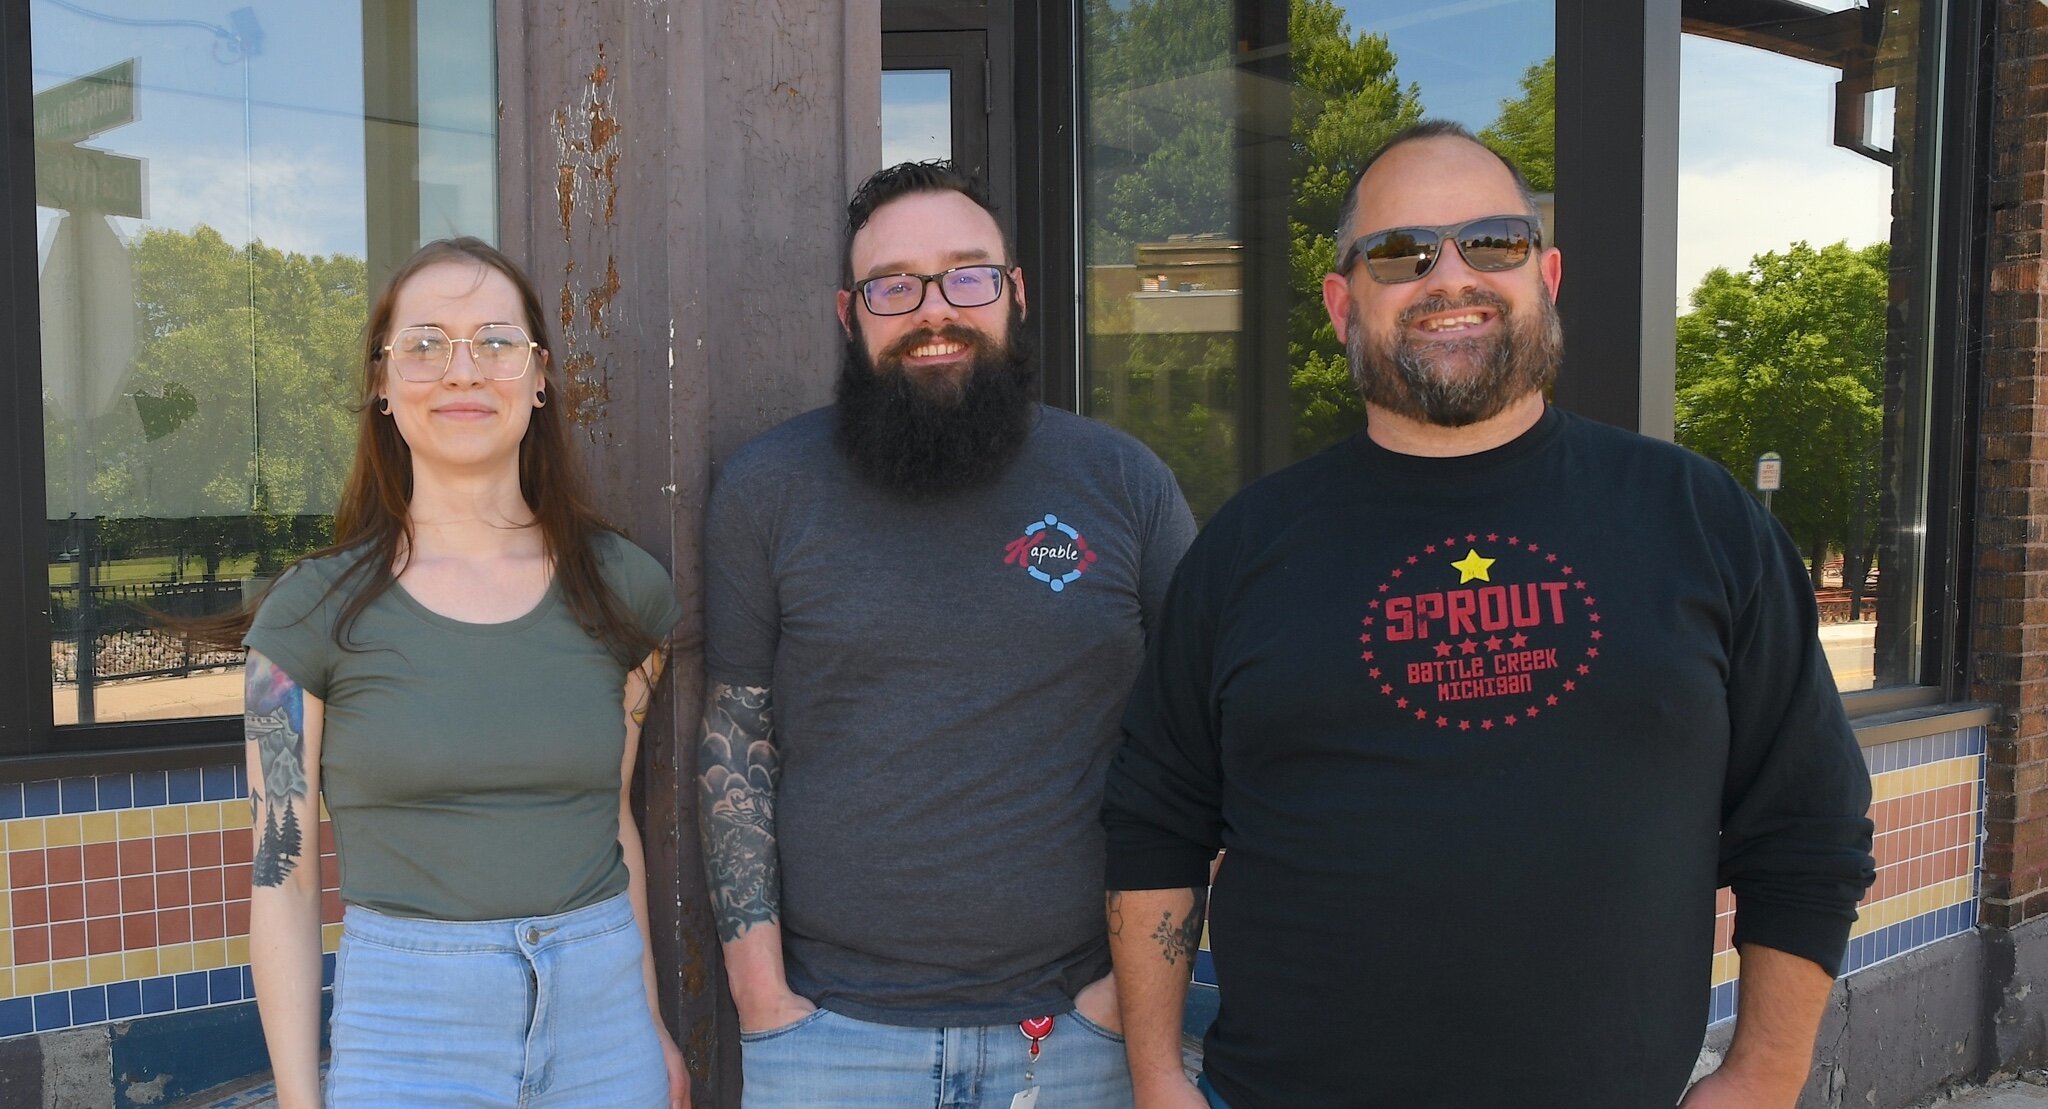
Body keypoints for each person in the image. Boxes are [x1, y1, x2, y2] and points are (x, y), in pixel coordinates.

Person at [1101, 121, 1877, 1109]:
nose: (1448, 275)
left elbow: (1807, 824)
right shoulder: (1250, 545)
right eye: (1400, 253)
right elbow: (1152, 818)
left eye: (1491, 243)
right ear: (1344, 301)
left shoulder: (1695, 516)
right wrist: (1158, 1078)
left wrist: (1763, 1074)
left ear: (1544, 273)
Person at [699, 161, 1196, 1108]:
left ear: (1013, 294)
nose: (935, 309)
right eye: (896, 286)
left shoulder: (1125, 483)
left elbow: (1204, 738)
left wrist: (1123, 1000)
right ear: (851, 314)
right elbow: (737, 741)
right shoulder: (767, 490)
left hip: (1082, 1036)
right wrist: (761, 998)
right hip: (830, 1044)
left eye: (967, 276)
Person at [230, 238, 689, 1107]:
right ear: (381, 382)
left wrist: (651, 1023)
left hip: (605, 1029)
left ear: (540, 374)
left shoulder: (628, 592)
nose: (462, 370)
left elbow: (611, 823)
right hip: (408, 1033)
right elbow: (281, 877)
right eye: (426, 343)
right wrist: (300, 1099)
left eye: (495, 341)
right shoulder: (302, 617)